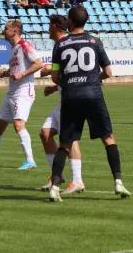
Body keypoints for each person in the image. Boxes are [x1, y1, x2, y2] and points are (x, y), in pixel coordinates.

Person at [48, 6, 131, 202]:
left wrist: (68, 84)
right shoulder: (95, 41)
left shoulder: (60, 44)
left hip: (70, 97)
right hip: (93, 94)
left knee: (66, 143)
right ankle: (118, 182)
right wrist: (94, 79)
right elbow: (109, 72)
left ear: (70, 21)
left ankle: (54, 187)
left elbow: (54, 76)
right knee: (108, 138)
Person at [0, 20, 42, 170]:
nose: (3, 31)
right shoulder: (13, 49)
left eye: (6, 28)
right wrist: (5, 73)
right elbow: (17, 69)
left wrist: (23, 73)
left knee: (18, 124)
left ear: (15, 31)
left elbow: (39, 63)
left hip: (23, 91)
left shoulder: (25, 45)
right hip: (12, 92)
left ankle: (30, 161)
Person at [38, 15, 84, 194]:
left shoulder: (64, 44)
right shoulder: (62, 44)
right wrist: (55, 88)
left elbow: (70, 70)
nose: (47, 29)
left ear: (56, 27)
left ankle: (78, 180)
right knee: (45, 133)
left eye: (49, 26)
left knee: (70, 138)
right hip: (66, 98)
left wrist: (49, 71)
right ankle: (57, 175)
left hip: (74, 98)